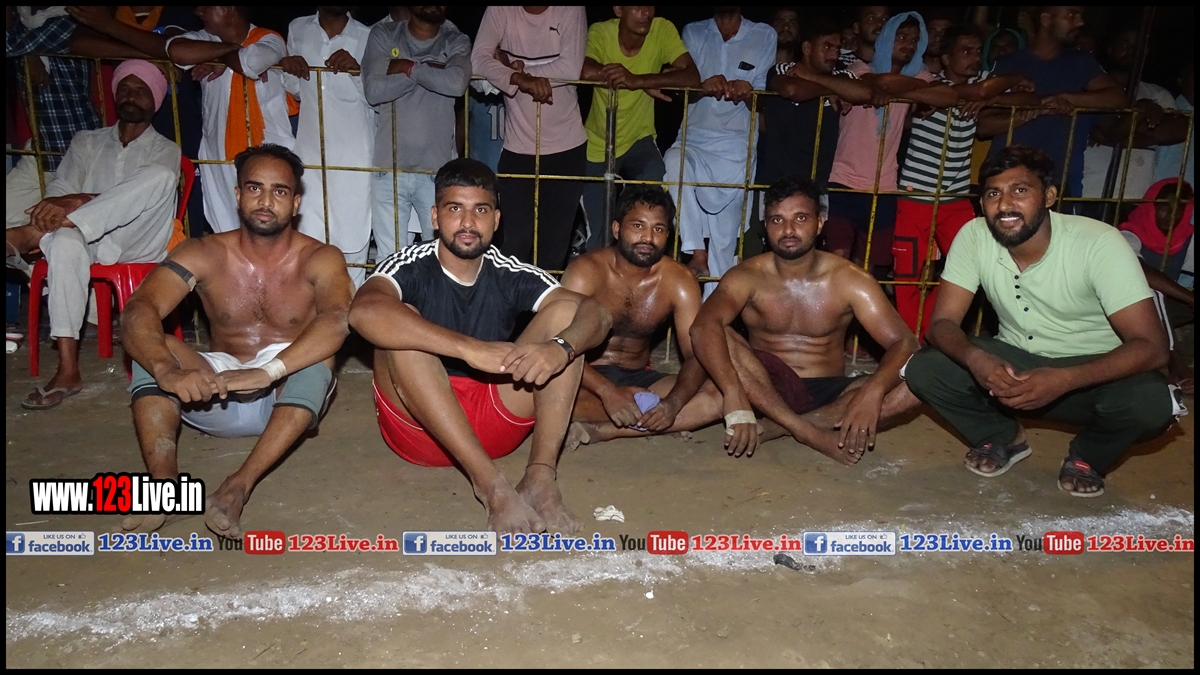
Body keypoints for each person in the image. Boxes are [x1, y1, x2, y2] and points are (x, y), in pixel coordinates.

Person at [350, 158, 612, 534]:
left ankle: (540, 477)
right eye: (455, 209)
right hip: (420, 428)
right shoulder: (409, 264)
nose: (468, 223)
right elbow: (362, 311)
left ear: (496, 220)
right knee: (400, 325)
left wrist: (560, 348)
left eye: (481, 210)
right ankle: (491, 487)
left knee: (567, 315)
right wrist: (469, 349)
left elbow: (597, 314)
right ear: (435, 216)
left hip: (494, 420)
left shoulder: (509, 271)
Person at [904, 146, 1178, 498]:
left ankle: (1089, 456)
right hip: (1017, 365)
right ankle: (1003, 437)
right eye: (993, 193)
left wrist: (1064, 378)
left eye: (1020, 190)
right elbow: (942, 324)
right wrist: (976, 359)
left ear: (1049, 196)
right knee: (925, 367)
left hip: (1092, 375)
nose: (1005, 205)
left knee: (1152, 402)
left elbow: (1153, 348)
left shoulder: (1098, 243)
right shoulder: (973, 236)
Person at [120, 143, 353, 536]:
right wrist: (164, 369)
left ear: (296, 203)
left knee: (319, 357)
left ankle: (238, 486)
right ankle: (165, 486)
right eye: (255, 188)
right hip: (217, 389)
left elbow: (337, 320)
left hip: (286, 393)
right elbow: (139, 308)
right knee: (152, 348)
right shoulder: (204, 252)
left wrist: (267, 372)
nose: (266, 201)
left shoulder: (320, 257)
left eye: (280, 191)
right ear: (238, 195)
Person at [691, 176, 920, 464]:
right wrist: (734, 392)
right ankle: (806, 431)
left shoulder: (850, 279)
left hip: (829, 392)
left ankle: (777, 427)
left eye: (800, 218)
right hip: (762, 387)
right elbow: (702, 327)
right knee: (716, 332)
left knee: (919, 381)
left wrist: (874, 391)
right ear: (766, 226)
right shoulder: (745, 276)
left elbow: (905, 343)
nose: (788, 230)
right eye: (777, 220)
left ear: (819, 223)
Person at [6, 61, 179, 410]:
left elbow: (119, 199)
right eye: (125, 88)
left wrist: (82, 200)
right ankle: (68, 369)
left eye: (141, 90)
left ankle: (28, 236)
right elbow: (60, 191)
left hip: (138, 239)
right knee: (64, 242)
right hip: (85, 239)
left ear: (155, 100)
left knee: (159, 177)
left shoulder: (165, 150)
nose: (131, 96)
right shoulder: (86, 141)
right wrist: (69, 204)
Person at [893, 24, 1036, 336]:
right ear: (946, 58)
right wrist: (984, 94)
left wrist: (989, 96)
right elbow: (971, 93)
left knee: (975, 268)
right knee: (908, 275)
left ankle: (931, 332)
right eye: (965, 51)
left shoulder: (983, 83)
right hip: (916, 195)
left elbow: (1028, 93)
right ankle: (912, 343)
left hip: (956, 198)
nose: (973, 57)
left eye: (977, 51)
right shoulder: (930, 84)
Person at [560, 185, 722, 449]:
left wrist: (673, 404)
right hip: (584, 378)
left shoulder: (678, 280)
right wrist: (608, 392)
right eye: (638, 226)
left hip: (640, 381)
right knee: (540, 393)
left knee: (718, 394)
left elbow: (696, 355)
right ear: (616, 229)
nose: (648, 237)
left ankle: (604, 430)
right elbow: (560, 348)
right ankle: (651, 420)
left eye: (658, 229)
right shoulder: (585, 272)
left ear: (668, 235)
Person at [663, 6, 775, 289]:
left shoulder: (763, 34)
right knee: (673, 161)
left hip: (736, 146)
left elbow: (764, 100)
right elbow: (683, 90)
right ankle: (696, 251)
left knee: (724, 245)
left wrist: (748, 92)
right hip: (695, 137)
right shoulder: (694, 31)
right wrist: (703, 86)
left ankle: (713, 313)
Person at [471, 6, 588, 271]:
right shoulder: (501, 10)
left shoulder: (570, 9)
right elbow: (477, 60)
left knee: (553, 250)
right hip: (518, 147)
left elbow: (571, 67)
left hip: (566, 147)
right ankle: (510, 300)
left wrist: (513, 72)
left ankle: (544, 300)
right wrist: (515, 76)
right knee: (513, 246)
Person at [579, 6, 698, 253]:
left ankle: (645, 262)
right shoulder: (601, 31)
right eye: (636, 6)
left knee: (654, 200)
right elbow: (584, 69)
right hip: (599, 141)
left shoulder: (662, 29)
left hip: (639, 138)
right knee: (598, 233)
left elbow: (692, 77)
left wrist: (638, 80)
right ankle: (601, 274)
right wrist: (627, 78)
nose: (645, 13)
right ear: (618, 9)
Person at [166, 6, 294, 233]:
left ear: (228, 9)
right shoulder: (206, 38)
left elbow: (249, 63)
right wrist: (228, 51)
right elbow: (177, 51)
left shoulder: (269, 38)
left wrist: (218, 57)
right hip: (219, 155)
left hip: (269, 154)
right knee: (227, 230)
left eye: (206, 6)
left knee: (270, 226)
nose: (198, 12)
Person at [825, 12, 935, 273]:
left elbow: (947, 96)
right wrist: (912, 89)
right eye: (902, 37)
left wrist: (900, 88)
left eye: (915, 39)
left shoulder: (918, 75)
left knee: (866, 265)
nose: (909, 44)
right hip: (844, 179)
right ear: (886, 38)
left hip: (883, 184)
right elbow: (875, 82)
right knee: (837, 260)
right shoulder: (860, 68)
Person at [979, 6, 1124, 200]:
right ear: (1046, 19)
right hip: (1007, 176)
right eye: (1071, 15)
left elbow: (1118, 98)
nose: (1080, 22)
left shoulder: (1080, 62)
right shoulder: (1009, 63)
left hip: (1059, 181)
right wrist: (1035, 111)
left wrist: (1065, 98)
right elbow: (984, 126)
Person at [362, 5, 470, 259]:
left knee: (444, 256)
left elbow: (456, 84)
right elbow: (374, 91)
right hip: (389, 168)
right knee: (391, 258)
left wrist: (409, 68)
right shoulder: (384, 34)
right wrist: (432, 71)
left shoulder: (456, 39)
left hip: (437, 171)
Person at [279, 6, 375, 287]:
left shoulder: (369, 36)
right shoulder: (298, 28)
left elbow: (377, 99)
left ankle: (350, 307)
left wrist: (357, 71)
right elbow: (296, 90)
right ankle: (312, 307)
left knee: (353, 237)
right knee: (309, 239)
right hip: (310, 154)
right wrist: (290, 67)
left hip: (354, 158)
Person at [6, 6, 100, 228]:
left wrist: (27, 51)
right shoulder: (25, 24)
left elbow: (11, 44)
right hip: (43, 150)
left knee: (62, 227)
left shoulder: (67, 21)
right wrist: (29, 52)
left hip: (76, 153)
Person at [759, 19, 872, 191]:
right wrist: (832, 90)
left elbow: (865, 93)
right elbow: (792, 90)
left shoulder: (840, 75)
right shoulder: (784, 69)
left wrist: (813, 78)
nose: (834, 55)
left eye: (837, 49)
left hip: (818, 185)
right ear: (807, 48)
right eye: (827, 47)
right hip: (779, 182)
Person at [1080, 28, 1179, 207]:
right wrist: (1142, 117)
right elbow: (1105, 132)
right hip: (1090, 192)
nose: (1131, 50)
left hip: (1136, 197)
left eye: (1138, 46)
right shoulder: (1093, 91)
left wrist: (1122, 125)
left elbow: (1175, 132)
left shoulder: (1157, 94)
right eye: (1125, 44)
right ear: (1111, 49)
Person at [1118, 179, 1194, 393]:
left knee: (1158, 296)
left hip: (1166, 311)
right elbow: (1139, 272)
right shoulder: (1128, 234)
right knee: (1151, 290)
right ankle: (1174, 361)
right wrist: (1190, 298)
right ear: (1150, 206)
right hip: (1125, 310)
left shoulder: (1185, 237)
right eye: (1164, 207)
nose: (1171, 215)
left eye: (1179, 209)